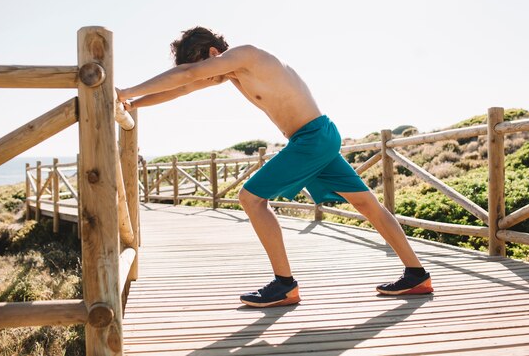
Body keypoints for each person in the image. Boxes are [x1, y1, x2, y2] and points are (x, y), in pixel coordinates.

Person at [116, 26, 433, 308]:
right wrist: (135, 103)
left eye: (202, 67)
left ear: (213, 53)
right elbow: (184, 86)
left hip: (313, 138)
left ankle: (284, 285)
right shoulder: (233, 72)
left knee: (251, 198)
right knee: (368, 205)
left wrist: (126, 91)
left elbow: (186, 77)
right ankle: (417, 274)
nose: (204, 76)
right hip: (314, 139)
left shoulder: (245, 55)